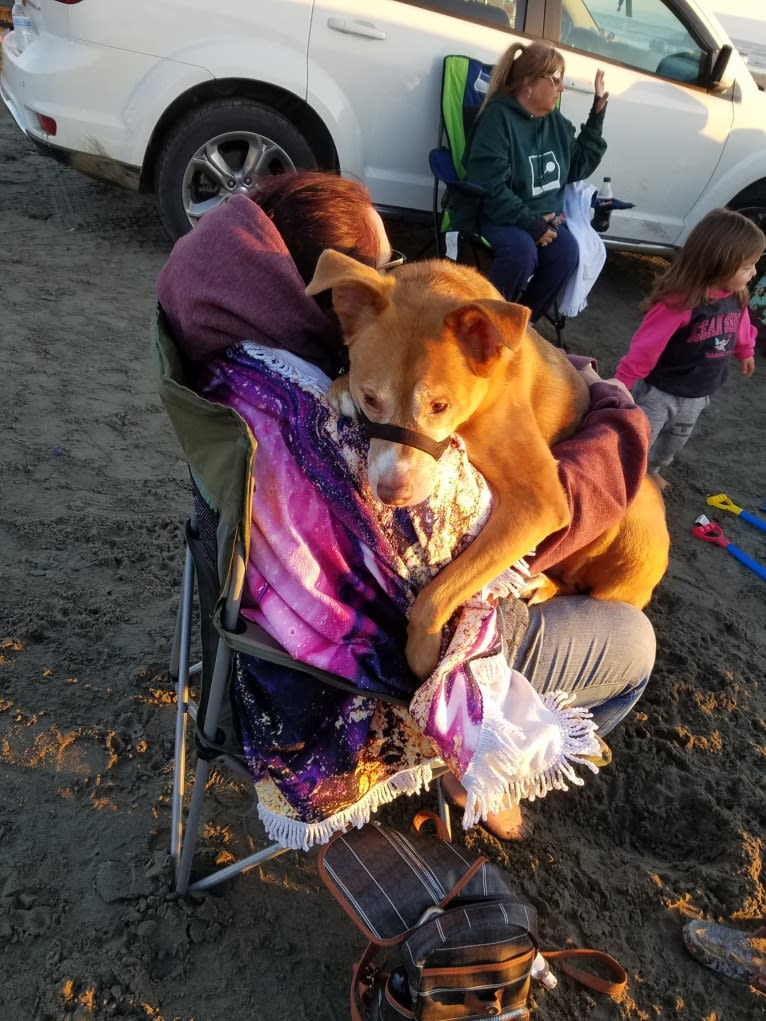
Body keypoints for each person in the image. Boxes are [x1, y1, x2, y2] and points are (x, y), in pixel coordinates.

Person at [157, 171, 655, 846]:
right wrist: (617, 413)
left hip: (255, 625)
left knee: (630, 558)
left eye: (398, 265)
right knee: (636, 643)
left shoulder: (237, 360)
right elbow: (551, 513)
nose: (396, 276)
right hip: (399, 663)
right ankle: (480, 768)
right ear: (339, 301)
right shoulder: (335, 431)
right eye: (381, 270)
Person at [450, 40, 608, 322]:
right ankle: (481, 323)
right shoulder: (496, 120)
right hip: (496, 214)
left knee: (567, 252)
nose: (562, 88)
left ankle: (522, 325)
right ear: (529, 84)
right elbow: (491, 189)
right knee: (521, 253)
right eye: (556, 80)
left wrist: (596, 115)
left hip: (541, 219)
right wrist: (531, 223)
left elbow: (576, 167)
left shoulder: (554, 121)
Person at [614, 208, 764, 491]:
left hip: (698, 394)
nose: (754, 272)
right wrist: (622, 382)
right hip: (661, 392)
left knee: (674, 440)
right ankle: (626, 476)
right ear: (720, 263)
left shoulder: (736, 296)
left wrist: (745, 350)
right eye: (748, 266)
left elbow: (741, 325)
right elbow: (646, 347)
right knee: (640, 435)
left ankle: (652, 468)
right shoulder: (679, 303)